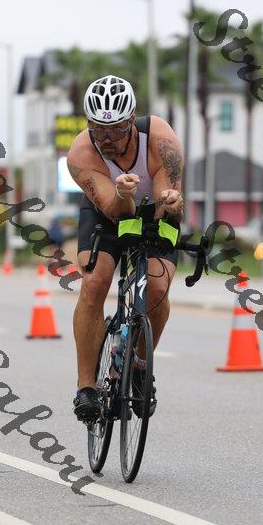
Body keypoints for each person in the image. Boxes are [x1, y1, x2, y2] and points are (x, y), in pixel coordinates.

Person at [67, 75, 183, 421]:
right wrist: (121, 193)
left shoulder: (160, 138)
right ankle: (86, 388)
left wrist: (171, 202)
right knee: (94, 282)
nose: (106, 139)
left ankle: (139, 366)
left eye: (115, 129)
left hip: (154, 210)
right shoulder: (81, 153)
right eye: (98, 129)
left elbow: (166, 202)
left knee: (157, 287)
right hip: (107, 212)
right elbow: (115, 212)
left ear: (131, 120)